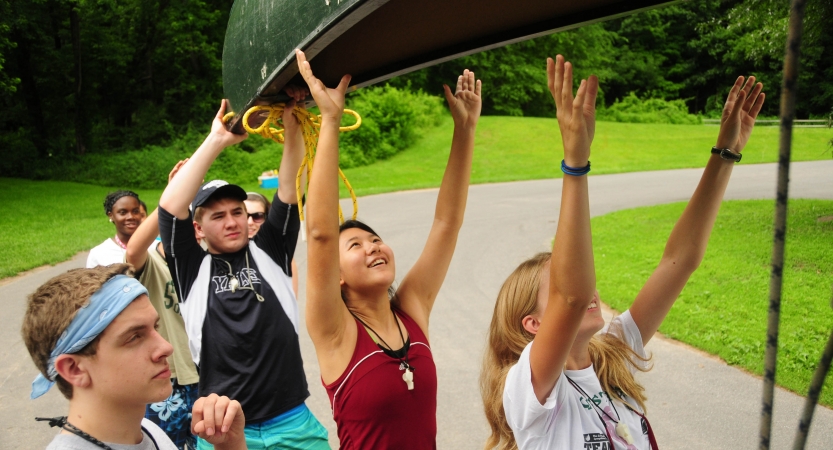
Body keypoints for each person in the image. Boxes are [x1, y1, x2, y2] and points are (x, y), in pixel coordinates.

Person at [480, 56, 765, 450]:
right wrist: (575, 164)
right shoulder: (527, 390)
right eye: (558, 284)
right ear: (532, 325)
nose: (587, 287)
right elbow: (574, 295)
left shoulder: (610, 357)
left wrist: (725, 153)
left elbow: (679, 262)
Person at [296, 48, 482, 448]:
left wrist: (464, 132)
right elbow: (321, 235)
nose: (373, 247)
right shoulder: (334, 330)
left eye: (375, 239)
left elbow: (447, 223)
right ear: (338, 276)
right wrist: (330, 120)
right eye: (356, 245)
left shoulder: (411, 310)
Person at [157, 93, 329, 449]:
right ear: (198, 228)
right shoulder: (192, 268)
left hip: (292, 421)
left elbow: (288, 187)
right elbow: (171, 208)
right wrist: (217, 139)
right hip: (222, 428)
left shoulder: (270, 249)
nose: (233, 221)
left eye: (237, 212)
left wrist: (292, 126)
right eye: (217, 216)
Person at [22, 264, 248, 450]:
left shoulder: (148, 432)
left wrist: (230, 445)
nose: (166, 347)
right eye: (134, 337)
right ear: (74, 369)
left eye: (155, 328)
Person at [126, 159, 201, 450]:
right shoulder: (153, 265)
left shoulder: (206, 264)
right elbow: (133, 250)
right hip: (165, 379)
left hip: (205, 377)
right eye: (181, 222)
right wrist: (174, 194)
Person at [245, 191, 300, 297]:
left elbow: (290, 299)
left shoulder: (282, 256)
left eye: (258, 216)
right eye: (244, 216)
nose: (250, 222)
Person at [87, 190, 143, 268]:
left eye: (135, 211)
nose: (131, 217)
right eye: (123, 212)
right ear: (111, 215)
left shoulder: (155, 246)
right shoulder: (98, 254)